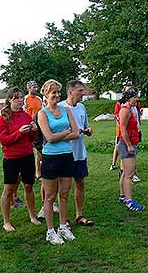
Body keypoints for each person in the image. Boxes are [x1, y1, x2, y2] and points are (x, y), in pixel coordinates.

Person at [38, 79, 79, 245]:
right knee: (49, 196)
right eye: (52, 92)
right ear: (46, 95)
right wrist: (66, 132)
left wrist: (60, 135)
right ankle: (50, 231)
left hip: (66, 155)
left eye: (57, 92)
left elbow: (76, 132)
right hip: (50, 157)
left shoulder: (66, 110)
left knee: (64, 194)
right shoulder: (42, 113)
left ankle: (63, 226)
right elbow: (48, 137)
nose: (56, 95)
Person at [0, 87, 41, 232]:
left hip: (27, 156)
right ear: (9, 100)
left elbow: (31, 139)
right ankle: (6, 221)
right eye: (16, 98)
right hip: (11, 158)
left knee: (28, 187)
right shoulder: (4, 117)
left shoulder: (26, 116)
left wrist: (34, 130)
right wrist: (18, 132)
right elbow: (4, 140)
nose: (20, 100)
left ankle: (32, 216)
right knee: (9, 189)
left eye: (21, 97)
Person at [59, 80, 94, 226]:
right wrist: (73, 132)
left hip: (80, 152)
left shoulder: (81, 107)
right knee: (64, 188)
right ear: (70, 91)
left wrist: (88, 130)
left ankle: (79, 215)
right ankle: (64, 218)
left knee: (80, 183)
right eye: (80, 90)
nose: (83, 93)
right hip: (65, 153)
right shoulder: (60, 107)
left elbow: (85, 125)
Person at [117, 87, 144, 211]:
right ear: (129, 98)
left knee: (125, 173)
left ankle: (122, 196)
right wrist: (129, 145)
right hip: (127, 144)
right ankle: (129, 202)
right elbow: (122, 129)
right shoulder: (125, 110)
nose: (136, 99)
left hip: (131, 143)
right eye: (134, 97)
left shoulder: (130, 109)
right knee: (129, 174)